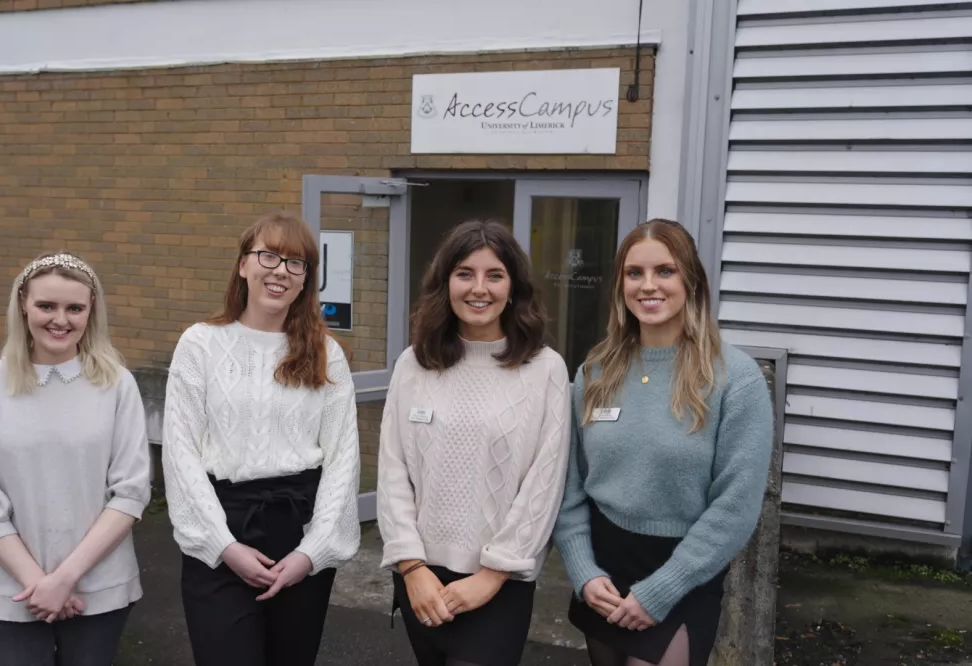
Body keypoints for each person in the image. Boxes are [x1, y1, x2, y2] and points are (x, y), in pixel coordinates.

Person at [552, 219, 775, 666]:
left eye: (665, 271)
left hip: (684, 574)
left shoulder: (734, 378)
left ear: (691, 280)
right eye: (634, 273)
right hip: (605, 572)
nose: (648, 286)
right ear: (620, 285)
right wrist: (582, 570)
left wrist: (663, 588)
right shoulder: (595, 372)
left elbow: (735, 506)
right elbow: (569, 483)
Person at [161, 211, 361, 666]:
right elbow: (180, 453)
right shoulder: (200, 344)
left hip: (299, 529)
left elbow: (343, 460)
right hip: (223, 526)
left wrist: (311, 553)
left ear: (307, 279)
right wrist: (223, 546)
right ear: (243, 265)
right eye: (268, 256)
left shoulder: (325, 353)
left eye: (296, 263)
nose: (280, 271)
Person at [377, 220, 572, 666]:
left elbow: (545, 482)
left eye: (494, 275)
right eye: (465, 273)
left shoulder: (545, 370)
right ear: (444, 281)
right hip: (420, 580)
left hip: (498, 586)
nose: (478, 288)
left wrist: (493, 573)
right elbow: (391, 472)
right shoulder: (414, 364)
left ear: (514, 287)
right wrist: (410, 567)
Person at [0, 251, 153, 666]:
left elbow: (131, 492)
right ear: (23, 304)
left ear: (90, 312)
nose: (60, 319)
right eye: (46, 305)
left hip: (99, 586)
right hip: (13, 588)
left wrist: (64, 579)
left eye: (74, 308)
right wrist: (39, 584)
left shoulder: (117, 385)